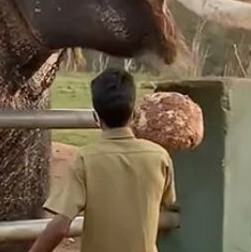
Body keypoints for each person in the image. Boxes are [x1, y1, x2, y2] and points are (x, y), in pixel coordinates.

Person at [27, 67, 177, 252]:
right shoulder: (159, 157)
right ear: (134, 114)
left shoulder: (85, 159)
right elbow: (169, 203)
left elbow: (60, 226)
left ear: (96, 116)